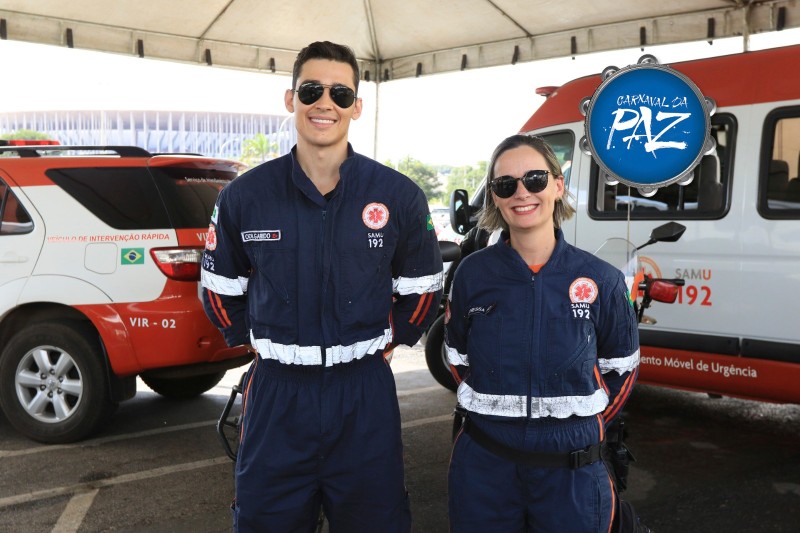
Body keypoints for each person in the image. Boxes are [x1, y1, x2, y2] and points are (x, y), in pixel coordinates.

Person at [201, 41, 443, 532]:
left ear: (357, 105)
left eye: (339, 91)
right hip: (277, 396)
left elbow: (423, 286)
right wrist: (259, 340)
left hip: (364, 394)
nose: (324, 102)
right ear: (290, 99)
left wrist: (392, 338)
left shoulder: (398, 195)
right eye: (311, 89)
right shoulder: (244, 196)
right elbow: (217, 286)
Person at [444, 134, 640, 532]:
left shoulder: (600, 278)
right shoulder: (473, 274)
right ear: (495, 198)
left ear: (557, 185)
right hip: (485, 464)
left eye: (534, 179)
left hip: (571, 470)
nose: (522, 193)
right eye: (505, 184)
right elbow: (457, 358)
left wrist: (578, 426)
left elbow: (623, 367)